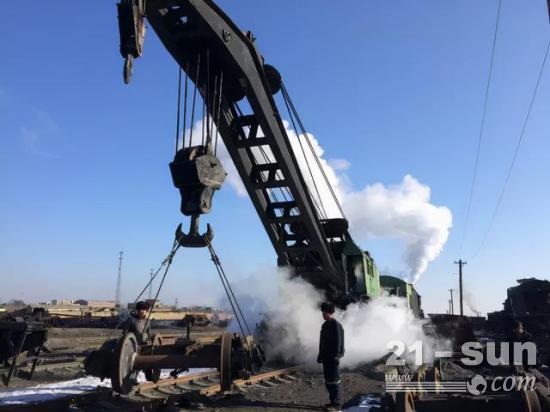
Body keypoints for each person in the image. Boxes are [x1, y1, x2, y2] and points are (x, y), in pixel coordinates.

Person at [317, 302, 345, 411]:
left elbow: (338, 342)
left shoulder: (336, 325)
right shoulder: (325, 325)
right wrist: (320, 355)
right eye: (322, 313)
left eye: (324, 313)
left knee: (334, 381)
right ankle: (332, 402)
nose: (323, 315)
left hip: (333, 358)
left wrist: (337, 356)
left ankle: (337, 405)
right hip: (326, 358)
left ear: (330, 313)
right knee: (328, 381)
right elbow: (322, 342)